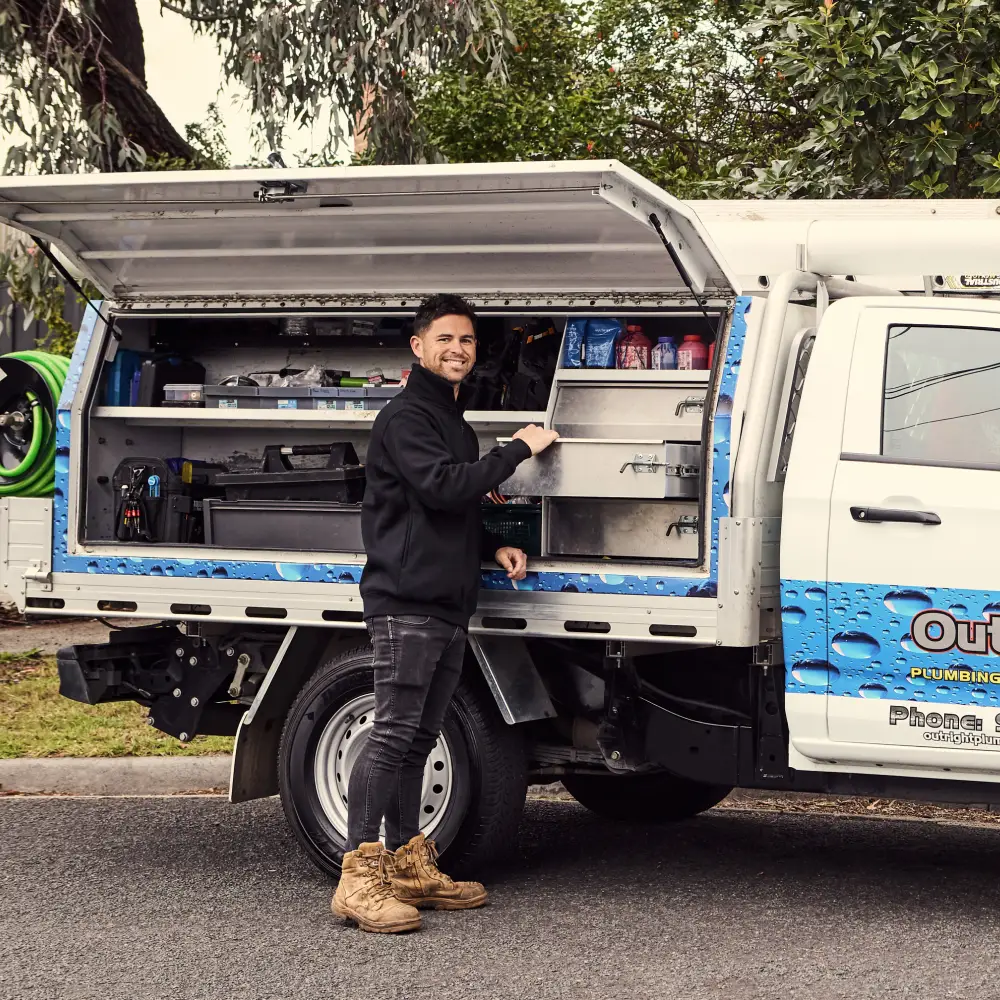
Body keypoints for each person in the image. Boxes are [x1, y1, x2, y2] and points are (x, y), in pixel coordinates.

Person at [332, 293, 559, 934]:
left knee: (418, 742)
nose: (457, 349)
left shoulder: (452, 423)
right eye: (445, 339)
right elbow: (440, 485)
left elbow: (450, 503)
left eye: (466, 341)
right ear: (418, 346)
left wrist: (495, 543)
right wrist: (516, 449)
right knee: (395, 738)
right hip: (407, 603)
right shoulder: (405, 418)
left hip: (445, 604)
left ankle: (409, 866)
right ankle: (358, 876)